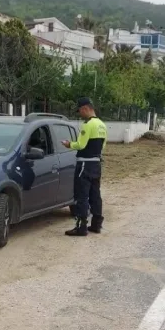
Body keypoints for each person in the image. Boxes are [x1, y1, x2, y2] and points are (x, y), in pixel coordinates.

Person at [61, 97, 108, 236]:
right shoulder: (102, 125)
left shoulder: (88, 125)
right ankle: (96, 224)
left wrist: (69, 144)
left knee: (81, 195)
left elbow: (81, 145)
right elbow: (103, 145)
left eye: (80, 111)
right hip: (96, 163)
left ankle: (81, 227)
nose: (80, 114)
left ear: (86, 108)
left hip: (84, 163)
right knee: (95, 194)